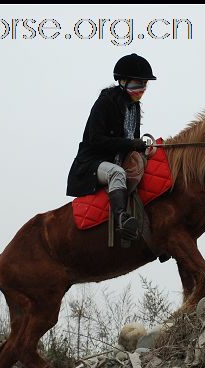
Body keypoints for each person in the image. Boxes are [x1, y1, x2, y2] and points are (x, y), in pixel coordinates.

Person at [66, 53, 157, 240]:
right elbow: (97, 140)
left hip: (118, 161)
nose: (141, 90)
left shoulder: (134, 107)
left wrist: (143, 148)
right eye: (136, 84)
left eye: (144, 85)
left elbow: (132, 142)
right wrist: (132, 143)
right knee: (117, 173)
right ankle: (121, 219)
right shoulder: (105, 103)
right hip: (92, 164)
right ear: (122, 82)